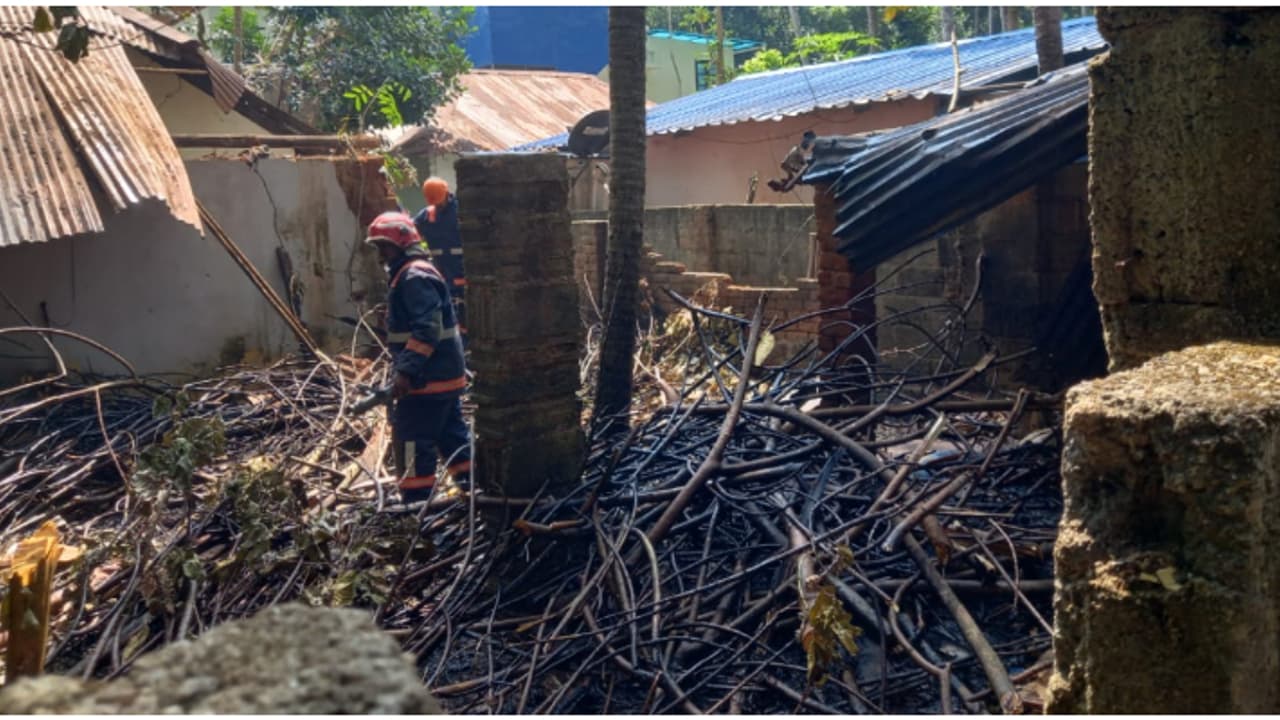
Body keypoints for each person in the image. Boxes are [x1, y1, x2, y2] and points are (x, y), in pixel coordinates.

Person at [365, 211, 471, 504]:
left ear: (402, 243)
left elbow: (427, 329)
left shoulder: (413, 277)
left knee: (411, 439)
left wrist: (406, 373)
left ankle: (415, 504)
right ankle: (475, 490)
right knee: (452, 436)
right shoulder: (416, 272)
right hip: (443, 378)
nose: (380, 257)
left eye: (384, 248)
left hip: (427, 381)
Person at [413, 177, 467, 346]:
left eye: (436, 198)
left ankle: (465, 345)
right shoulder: (426, 215)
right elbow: (412, 236)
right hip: (441, 271)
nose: (435, 203)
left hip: (462, 270)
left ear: (446, 192)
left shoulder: (461, 211)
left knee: (464, 311)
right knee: (446, 311)